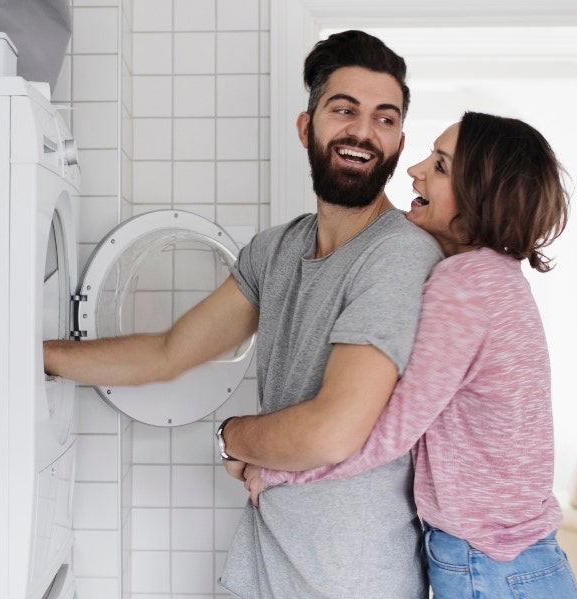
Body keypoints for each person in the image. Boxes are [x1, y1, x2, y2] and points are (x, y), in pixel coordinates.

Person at [44, 30, 443, 598]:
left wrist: (233, 436)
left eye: (385, 118)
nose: (363, 132)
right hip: (261, 567)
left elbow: (333, 432)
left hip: (352, 580)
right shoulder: (274, 251)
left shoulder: (399, 255)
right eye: (344, 110)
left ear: (400, 143)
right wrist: (39, 357)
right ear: (306, 128)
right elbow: (168, 352)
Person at [237, 112, 577, 598]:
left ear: (479, 198)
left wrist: (279, 469)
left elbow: (393, 431)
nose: (414, 169)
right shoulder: (497, 278)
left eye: (439, 166)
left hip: (487, 568)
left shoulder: (463, 288)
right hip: (519, 563)